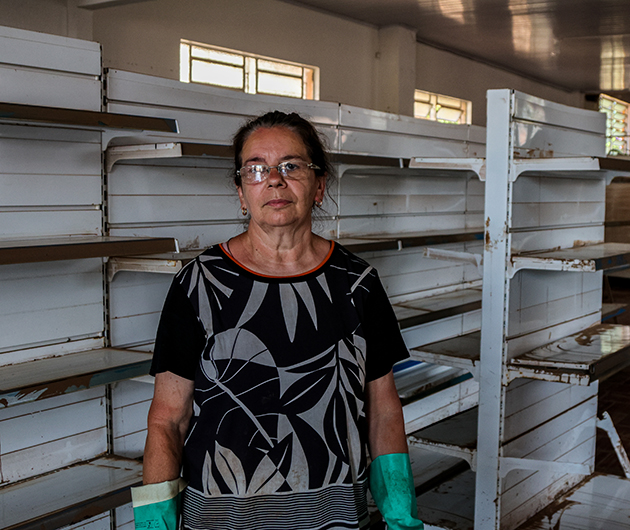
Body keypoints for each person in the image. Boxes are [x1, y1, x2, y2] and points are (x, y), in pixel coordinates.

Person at [132, 111, 423, 530]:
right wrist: (154, 526)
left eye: (292, 166)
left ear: (319, 185)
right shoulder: (198, 284)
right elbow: (167, 420)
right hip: (221, 520)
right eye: (256, 169)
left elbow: (384, 413)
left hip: (334, 518)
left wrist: (400, 517)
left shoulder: (358, 284)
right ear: (240, 191)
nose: (274, 179)